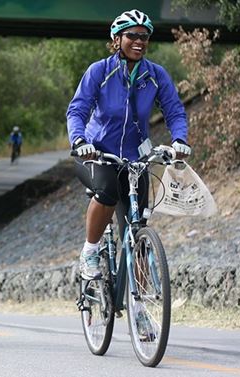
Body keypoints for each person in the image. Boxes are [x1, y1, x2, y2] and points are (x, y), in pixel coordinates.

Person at [67, 9, 190, 282]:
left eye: (144, 36)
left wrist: (179, 139)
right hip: (96, 155)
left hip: (135, 160)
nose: (139, 41)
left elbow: (175, 112)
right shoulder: (99, 71)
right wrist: (79, 141)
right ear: (116, 39)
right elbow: (77, 111)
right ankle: (90, 250)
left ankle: (143, 309)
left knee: (137, 233)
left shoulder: (155, 74)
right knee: (108, 190)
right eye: (132, 35)